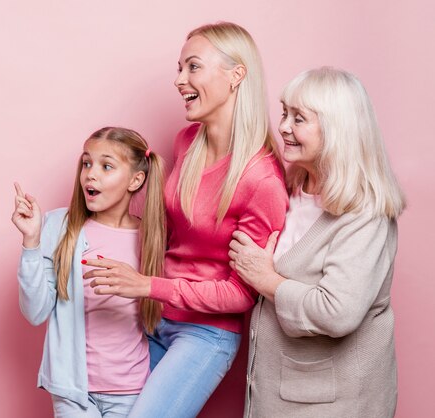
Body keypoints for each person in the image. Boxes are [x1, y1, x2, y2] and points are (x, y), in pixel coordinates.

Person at [84, 22, 289, 417]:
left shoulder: (261, 179)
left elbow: (241, 294)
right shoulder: (186, 141)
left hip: (205, 334)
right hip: (154, 316)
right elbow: (173, 232)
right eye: (179, 68)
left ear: (236, 75)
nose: (180, 80)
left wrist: (147, 284)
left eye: (193, 67)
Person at [228, 67, 405, 418]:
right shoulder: (290, 190)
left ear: (337, 129)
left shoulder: (365, 213)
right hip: (279, 392)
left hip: (333, 405)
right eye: (284, 113)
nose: (282, 127)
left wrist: (267, 281)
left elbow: (337, 312)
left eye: (299, 118)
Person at [13, 127, 166, 417]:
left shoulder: (151, 238)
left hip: (131, 390)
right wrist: (31, 242)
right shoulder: (59, 226)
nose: (90, 174)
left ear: (136, 180)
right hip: (73, 392)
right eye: (86, 163)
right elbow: (35, 312)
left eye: (106, 166)